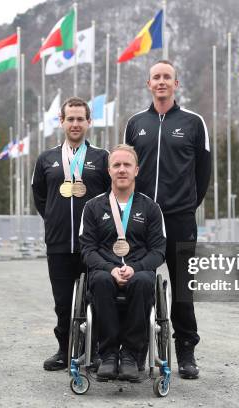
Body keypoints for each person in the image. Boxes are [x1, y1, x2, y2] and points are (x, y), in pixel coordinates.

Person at [124, 60, 211, 379]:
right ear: (149, 84)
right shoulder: (135, 123)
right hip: (141, 219)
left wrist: (184, 205)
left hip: (179, 219)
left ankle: (186, 351)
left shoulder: (194, 122)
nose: (162, 82)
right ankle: (134, 351)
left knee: (183, 289)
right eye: (156, 77)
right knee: (137, 282)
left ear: (177, 84)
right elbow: (125, 169)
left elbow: (203, 173)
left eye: (167, 77)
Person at [32, 97, 110, 371]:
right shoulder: (46, 159)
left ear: (89, 122)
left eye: (80, 119)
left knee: (99, 298)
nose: (75, 124)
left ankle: (97, 351)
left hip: (96, 245)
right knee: (63, 303)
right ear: (61, 121)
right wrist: (55, 218)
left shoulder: (103, 158)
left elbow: (113, 197)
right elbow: (41, 197)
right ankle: (64, 351)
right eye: (70, 119)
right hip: (59, 242)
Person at [79, 144, 166, 381]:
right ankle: (107, 355)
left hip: (138, 269)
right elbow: (87, 249)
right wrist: (111, 268)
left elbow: (159, 251)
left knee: (142, 282)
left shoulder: (151, 208)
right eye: (116, 165)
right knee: (101, 281)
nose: (121, 170)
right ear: (109, 171)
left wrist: (135, 267)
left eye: (127, 165)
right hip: (106, 269)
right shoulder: (93, 207)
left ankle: (131, 356)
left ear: (136, 170)